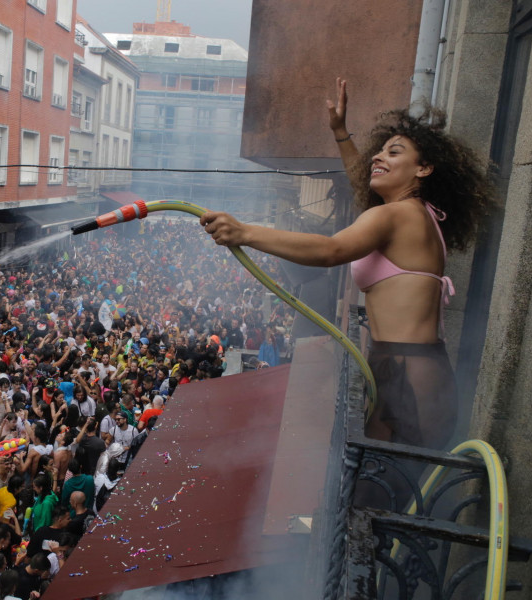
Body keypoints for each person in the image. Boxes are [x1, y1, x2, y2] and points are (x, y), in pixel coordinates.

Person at [200, 78, 492, 452]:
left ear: (424, 169)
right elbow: (363, 182)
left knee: (374, 493)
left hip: (408, 379)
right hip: (413, 373)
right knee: (381, 488)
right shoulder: (417, 213)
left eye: (394, 153)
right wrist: (340, 132)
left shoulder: (398, 215)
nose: (378, 158)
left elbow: (331, 251)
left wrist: (244, 232)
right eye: (379, 152)